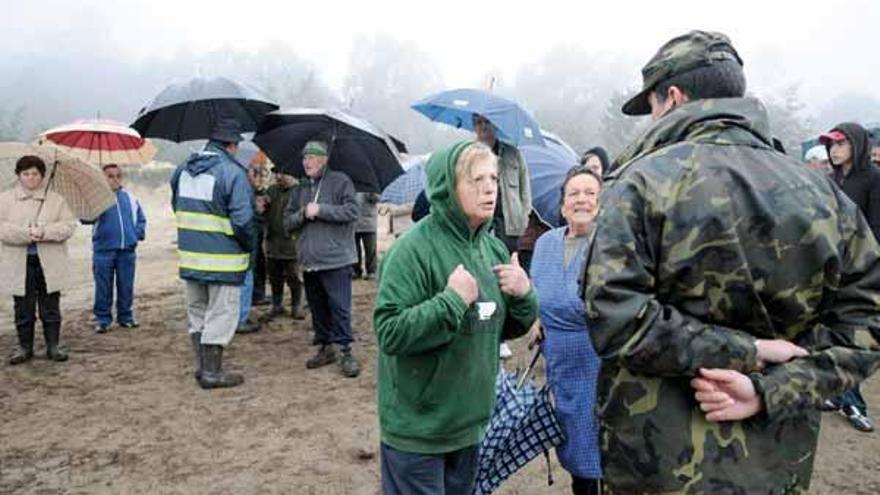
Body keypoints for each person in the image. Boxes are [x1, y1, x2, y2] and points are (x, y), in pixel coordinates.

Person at [583, 31, 880, 494]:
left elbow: (615, 319)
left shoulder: (641, 183)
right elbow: (866, 323)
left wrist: (748, 354)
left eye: (654, 107)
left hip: (657, 465)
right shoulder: (825, 195)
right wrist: (773, 384)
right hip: (775, 466)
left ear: (674, 98)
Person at [374, 140, 537, 495]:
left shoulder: (492, 248)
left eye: (493, 177)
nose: (490, 187)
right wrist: (451, 301)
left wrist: (524, 295)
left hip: (469, 426)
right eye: (476, 179)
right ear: (448, 188)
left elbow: (502, 327)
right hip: (419, 432)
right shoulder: (411, 251)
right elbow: (389, 333)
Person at [530, 165, 603, 494]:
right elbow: (536, 292)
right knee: (571, 439)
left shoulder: (612, 246)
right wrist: (536, 318)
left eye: (590, 193)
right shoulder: (546, 243)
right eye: (574, 193)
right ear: (562, 206)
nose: (582, 200)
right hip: (559, 362)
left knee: (601, 444)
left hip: (601, 362)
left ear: (601, 204)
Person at [170, 119, 255, 389]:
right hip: (223, 260)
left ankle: (202, 367)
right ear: (231, 145)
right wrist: (249, 245)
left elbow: (177, 206)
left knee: (197, 311)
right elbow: (242, 221)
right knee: (221, 313)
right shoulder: (232, 172)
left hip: (191, 257)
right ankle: (213, 373)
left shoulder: (182, 170)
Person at [816, 123, 880, 432]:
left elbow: (876, 228)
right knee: (828, 332)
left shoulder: (874, 180)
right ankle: (837, 394)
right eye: (830, 145)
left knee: (854, 334)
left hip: (860, 271)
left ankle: (854, 403)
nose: (834, 150)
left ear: (856, 145)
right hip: (830, 267)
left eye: (840, 144)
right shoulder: (830, 181)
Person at [284, 140, 361, 378]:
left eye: (312, 157)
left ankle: (346, 350)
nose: (307, 162)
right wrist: (303, 214)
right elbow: (287, 222)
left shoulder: (341, 181)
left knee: (340, 308)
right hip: (309, 260)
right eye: (305, 157)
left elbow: (352, 212)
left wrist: (322, 210)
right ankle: (326, 347)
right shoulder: (299, 189)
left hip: (336, 259)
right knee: (317, 308)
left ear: (324, 159)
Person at [1, 155, 77, 364]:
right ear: (18, 176)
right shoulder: (5, 200)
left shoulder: (56, 200)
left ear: (42, 176)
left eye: (35, 173)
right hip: (20, 262)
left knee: (50, 306)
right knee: (23, 308)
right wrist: (26, 234)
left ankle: (53, 346)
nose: (30, 178)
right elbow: (2, 229)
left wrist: (44, 232)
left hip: (49, 263)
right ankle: (25, 348)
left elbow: (68, 226)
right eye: (26, 174)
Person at [473, 113, 531, 359]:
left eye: (488, 124)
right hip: (480, 225)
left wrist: (524, 216)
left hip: (508, 225)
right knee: (483, 278)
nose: (484, 129)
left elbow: (525, 189)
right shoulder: (470, 156)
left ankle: (502, 335)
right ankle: (485, 332)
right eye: (479, 124)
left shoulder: (512, 154)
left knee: (506, 279)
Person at [89, 164, 146, 334]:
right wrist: (94, 208)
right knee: (103, 286)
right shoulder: (96, 199)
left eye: (118, 176)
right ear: (102, 178)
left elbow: (141, 220)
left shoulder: (130, 198)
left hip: (127, 251)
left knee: (126, 285)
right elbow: (85, 219)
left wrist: (135, 235)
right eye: (110, 176)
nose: (114, 179)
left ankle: (126, 317)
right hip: (103, 250)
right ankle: (103, 319)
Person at [264, 167, 305, 320]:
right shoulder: (272, 190)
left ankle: (296, 305)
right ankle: (277, 304)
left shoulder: (300, 192)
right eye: (277, 173)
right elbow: (263, 212)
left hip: (292, 243)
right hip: (273, 241)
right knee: (274, 275)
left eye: (283, 173)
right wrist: (261, 207)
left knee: (294, 276)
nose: (279, 177)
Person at [235, 162, 267, 335]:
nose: (257, 176)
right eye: (254, 172)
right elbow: (247, 216)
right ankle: (241, 318)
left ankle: (251, 302)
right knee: (246, 276)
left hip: (248, 236)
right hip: (246, 238)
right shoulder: (243, 189)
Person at [352, 191, 380, 280]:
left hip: (368, 222)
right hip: (354, 222)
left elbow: (377, 199)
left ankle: (371, 271)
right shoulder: (352, 184)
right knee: (354, 249)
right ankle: (356, 270)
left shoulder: (371, 185)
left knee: (370, 249)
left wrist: (371, 193)